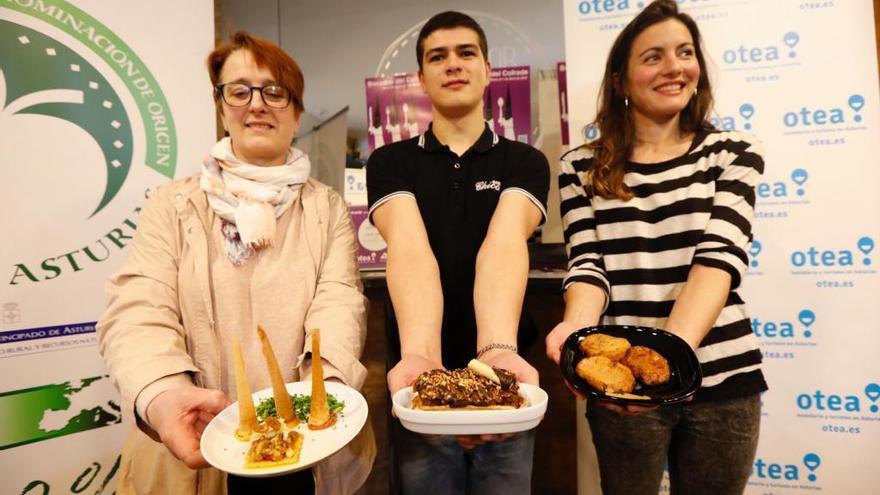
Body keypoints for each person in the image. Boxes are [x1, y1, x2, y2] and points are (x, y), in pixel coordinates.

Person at [96, 32, 374, 495]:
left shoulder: (326, 208)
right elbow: (138, 307)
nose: (257, 104)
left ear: (297, 110)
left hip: (304, 444)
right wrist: (165, 395)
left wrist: (324, 388)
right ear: (222, 106)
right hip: (199, 445)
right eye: (240, 90)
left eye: (275, 91)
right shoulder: (174, 204)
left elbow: (340, 300)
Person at [546, 1, 767, 494]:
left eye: (685, 52)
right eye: (653, 56)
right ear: (621, 80)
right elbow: (588, 265)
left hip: (722, 379)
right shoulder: (579, 166)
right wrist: (576, 329)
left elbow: (718, 260)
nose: (674, 67)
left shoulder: (733, 153)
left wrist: (671, 363)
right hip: (621, 384)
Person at [366, 11, 549, 495]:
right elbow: (408, 248)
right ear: (421, 78)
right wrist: (423, 357)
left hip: (508, 384)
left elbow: (506, 243)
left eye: (466, 53)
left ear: (488, 70)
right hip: (417, 382)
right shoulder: (389, 162)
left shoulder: (526, 162)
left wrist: (497, 354)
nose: (453, 64)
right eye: (437, 57)